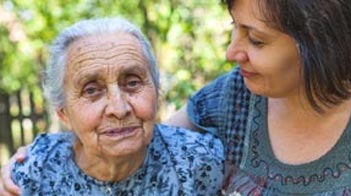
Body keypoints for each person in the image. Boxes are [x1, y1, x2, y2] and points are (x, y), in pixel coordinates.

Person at [2, 0, 351, 195]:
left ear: (322, 44)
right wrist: (23, 167)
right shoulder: (233, 98)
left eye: (256, 39)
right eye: (235, 29)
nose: (231, 51)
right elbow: (136, 139)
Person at [1, 18, 224, 196]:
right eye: (91, 90)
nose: (119, 108)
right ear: (64, 113)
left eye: (133, 83)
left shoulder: (198, 161)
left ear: (156, 93)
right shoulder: (33, 174)